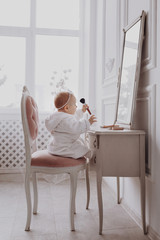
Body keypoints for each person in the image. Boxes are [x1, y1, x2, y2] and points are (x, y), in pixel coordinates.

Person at [45, 91, 97, 159]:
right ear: (66, 108)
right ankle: (93, 159)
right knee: (83, 149)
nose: (76, 106)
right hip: (64, 147)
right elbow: (76, 127)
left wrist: (82, 111)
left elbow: (73, 117)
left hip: (56, 145)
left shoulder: (58, 117)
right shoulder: (65, 120)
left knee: (80, 143)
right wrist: (88, 122)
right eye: (75, 104)